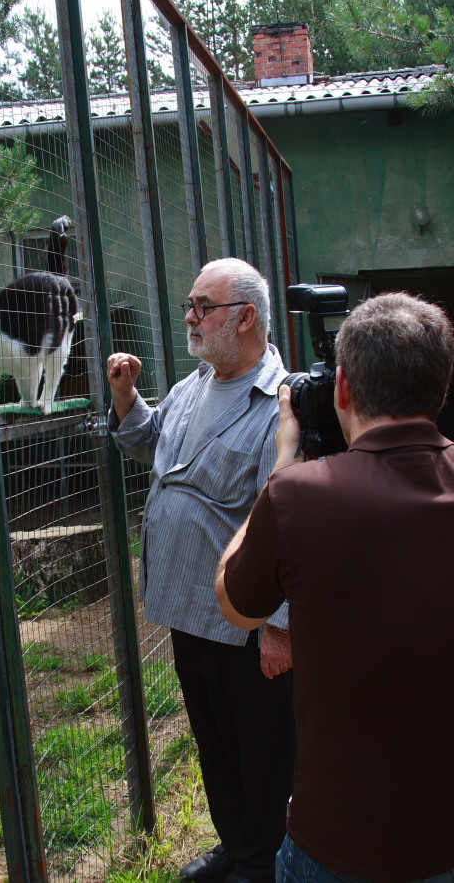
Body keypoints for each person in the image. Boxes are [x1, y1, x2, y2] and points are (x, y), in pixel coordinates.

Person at [216, 291, 454, 883]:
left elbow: (238, 606)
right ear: (440, 389)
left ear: (342, 388)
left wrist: (282, 465)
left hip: (336, 839)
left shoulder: (299, 496)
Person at [107, 257, 295, 883]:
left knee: (262, 752)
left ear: (245, 317)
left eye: (202, 306)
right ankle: (236, 845)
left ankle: (262, 860)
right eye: (190, 303)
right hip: (185, 607)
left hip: (246, 622)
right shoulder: (195, 385)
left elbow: (292, 521)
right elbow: (152, 442)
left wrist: (280, 624)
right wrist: (127, 400)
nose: (189, 316)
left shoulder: (281, 405)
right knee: (213, 742)